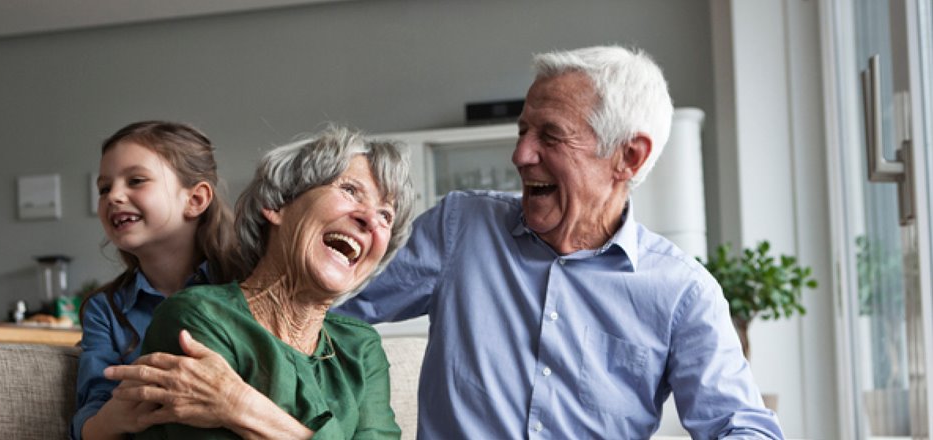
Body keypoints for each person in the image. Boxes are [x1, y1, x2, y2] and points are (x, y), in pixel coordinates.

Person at [332, 46, 786, 439]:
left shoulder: (683, 293)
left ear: (628, 157)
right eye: (522, 131)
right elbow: (322, 302)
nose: (521, 155)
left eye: (550, 135)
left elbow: (741, 427)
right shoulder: (460, 228)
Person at [131, 126, 414, 439]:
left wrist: (240, 406)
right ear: (278, 204)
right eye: (350, 190)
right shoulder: (198, 318)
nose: (371, 220)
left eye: (386, 215)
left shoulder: (360, 348)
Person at [72, 120, 244, 440]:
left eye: (136, 180)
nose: (114, 196)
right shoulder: (105, 310)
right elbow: (90, 419)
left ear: (195, 199)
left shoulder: (246, 286)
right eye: (104, 188)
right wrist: (115, 418)